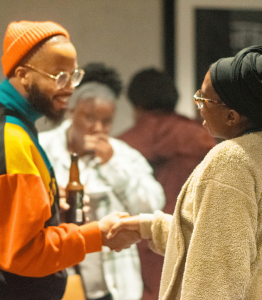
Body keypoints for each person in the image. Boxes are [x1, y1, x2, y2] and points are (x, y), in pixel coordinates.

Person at [0, 21, 140, 300]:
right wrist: (98, 235)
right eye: (59, 77)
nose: (70, 89)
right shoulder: (9, 139)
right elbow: (21, 253)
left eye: (74, 76)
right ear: (23, 75)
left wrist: (49, 208)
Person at [109, 45, 262, 299]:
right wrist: (150, 227)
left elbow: (217, 272)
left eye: (203, 99)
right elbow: (223, 240)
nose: (198, 106)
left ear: (232, 116)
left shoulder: (232, 160)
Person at [39, 62, 165, 300]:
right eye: (89, 117)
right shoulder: (43, 147)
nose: (98, 128)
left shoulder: (124, 155)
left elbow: (152, 206)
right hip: (56, 278)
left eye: (106, 121)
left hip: (112, 284)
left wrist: (112, 165)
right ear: (72, 112)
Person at [118, 68, 216, 300]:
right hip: (192, 237)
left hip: (142, 240)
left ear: (136, 103)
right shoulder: (202, 138)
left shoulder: (124, 144)